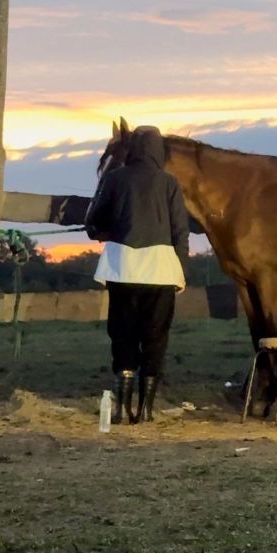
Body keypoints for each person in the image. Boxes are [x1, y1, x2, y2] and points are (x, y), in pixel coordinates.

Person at [85, 125, 189, 424]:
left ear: (132, 148)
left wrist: (105, 230)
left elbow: (94, 220)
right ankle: (145, 411)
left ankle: (120, 409)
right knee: (156, 338)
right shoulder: (169, 182)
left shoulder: (116, 178)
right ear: (159, 151)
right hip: (161, 270)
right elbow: (180, 230)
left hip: (123, 267)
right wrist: (180, 269)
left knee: (123, 336)